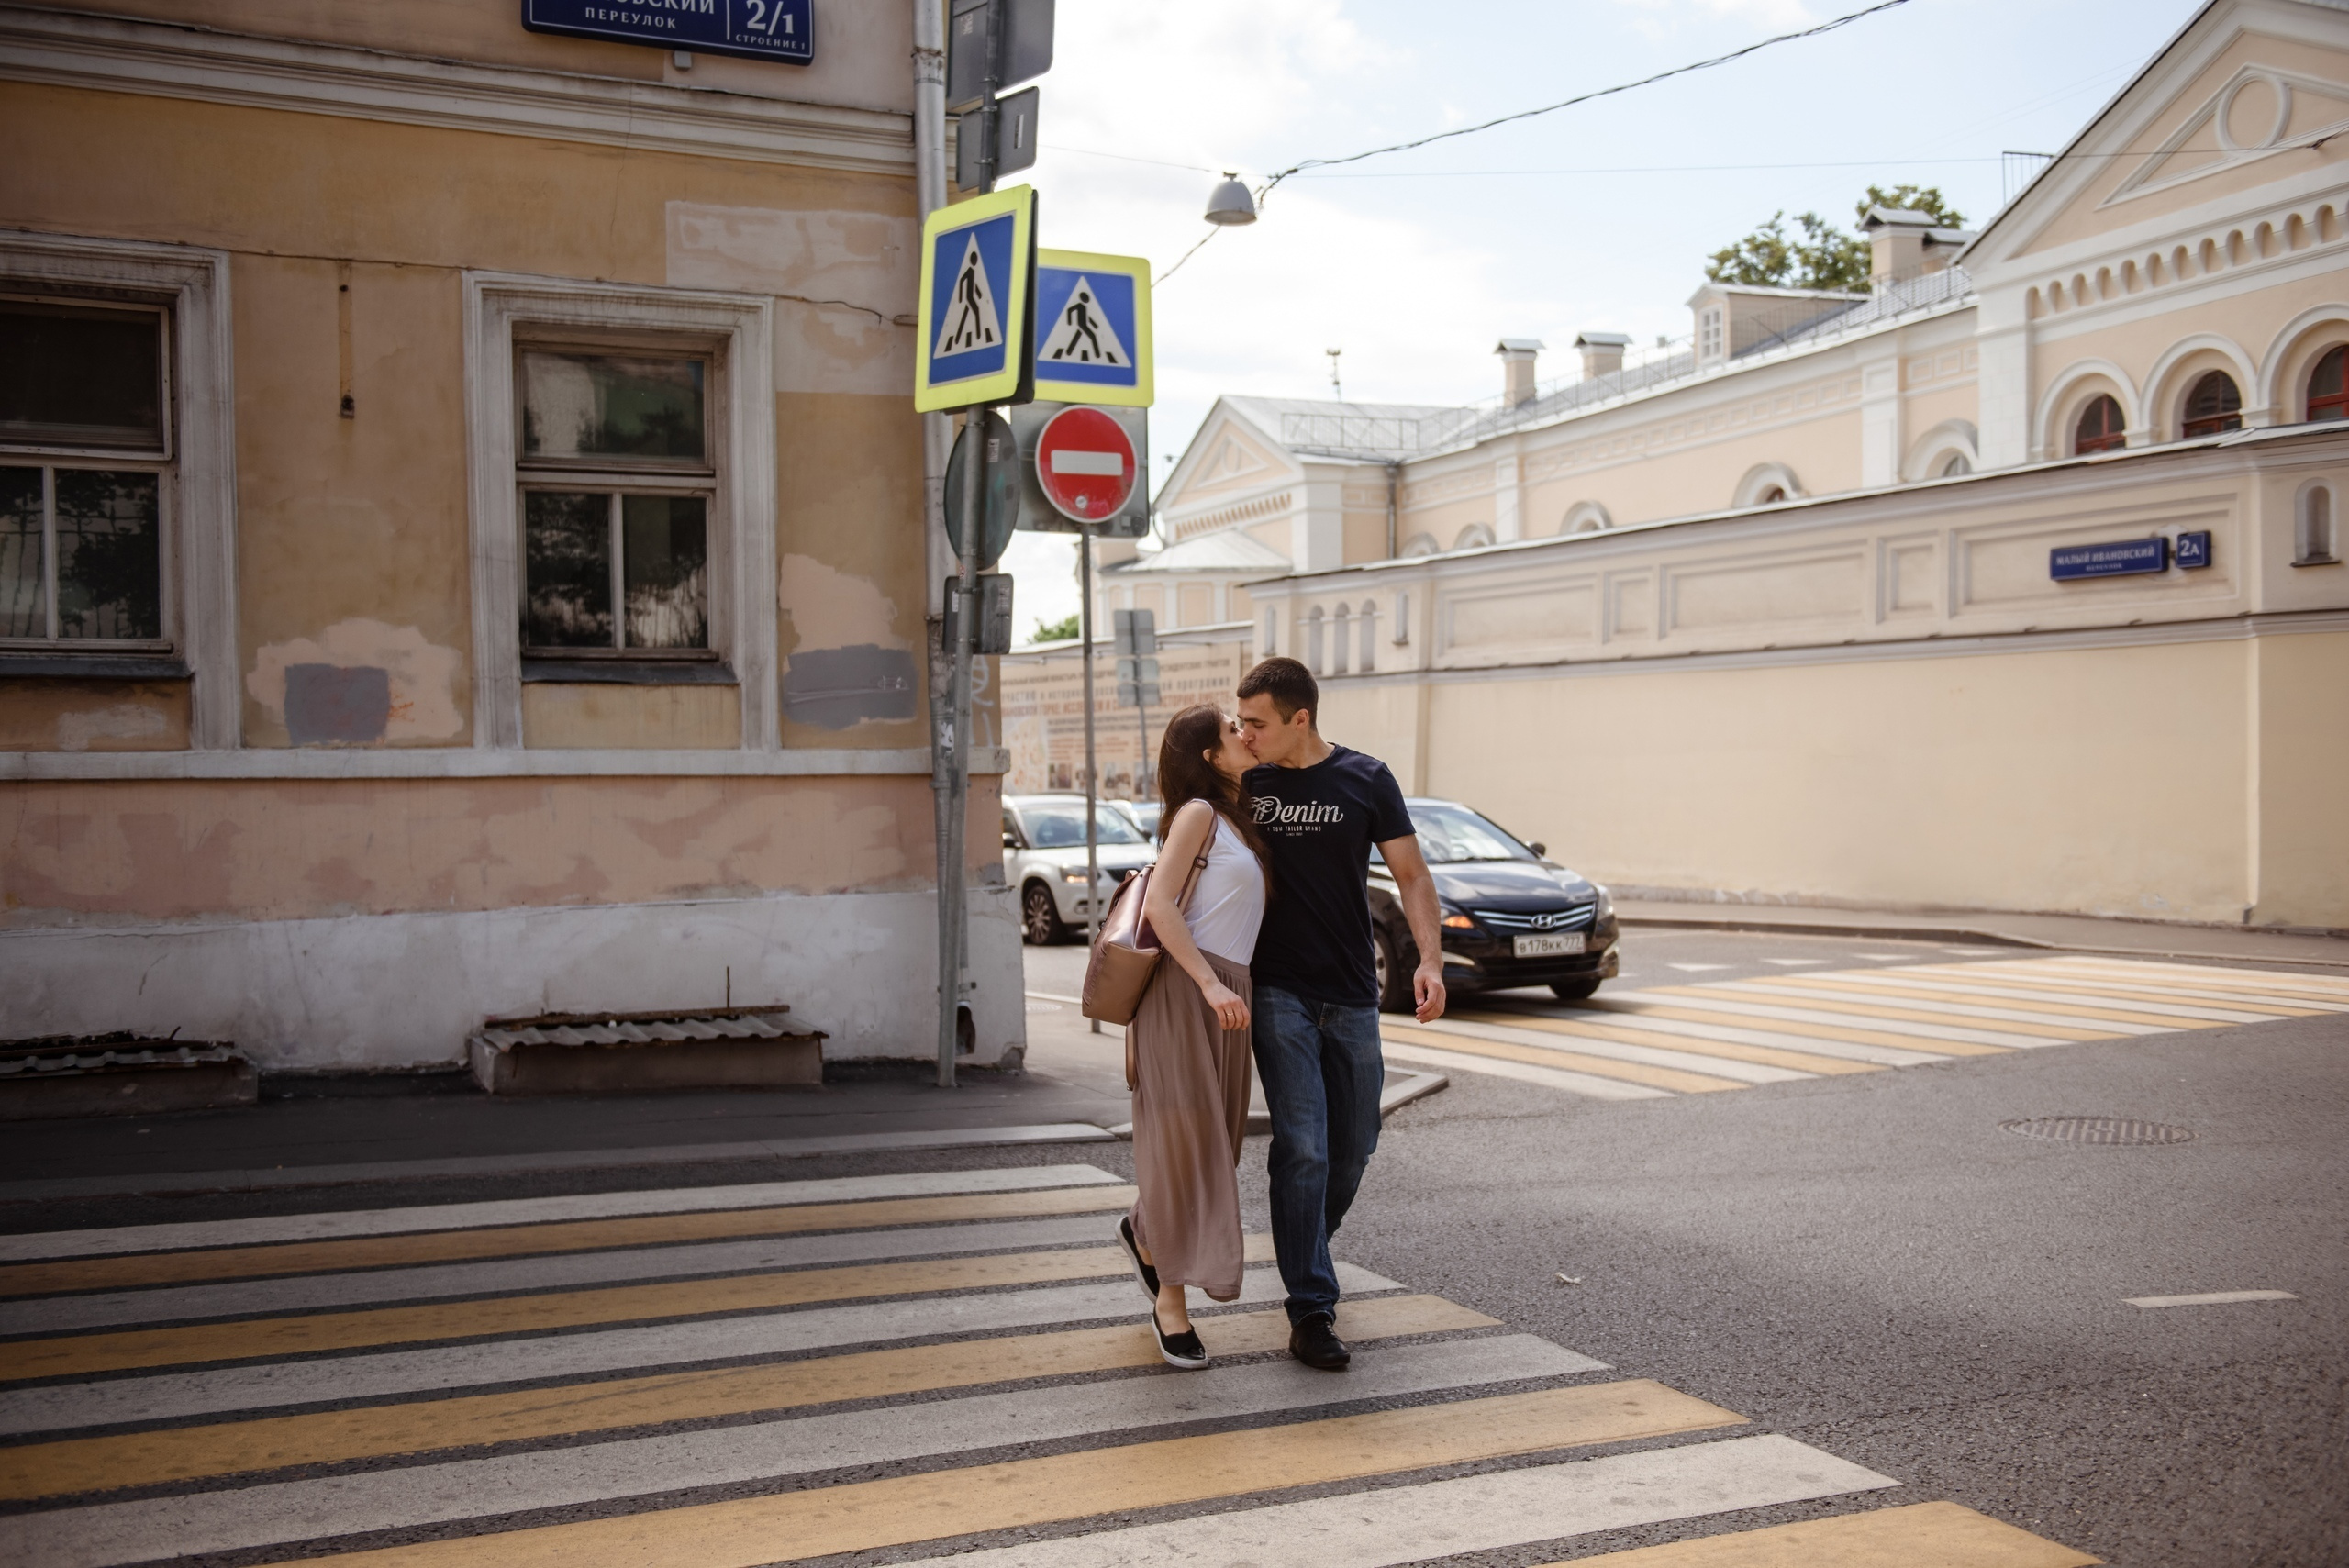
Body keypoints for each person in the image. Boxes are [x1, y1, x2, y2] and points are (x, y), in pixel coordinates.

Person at [1235, 656, 1445, 1372]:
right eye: (1240, 722)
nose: (1246, 733)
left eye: (1257, 722)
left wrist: (1430, 960)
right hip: (1277, 989)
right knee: (1304, 1146)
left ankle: (1303, 1250)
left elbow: (1412, 875)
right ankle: (1311, 1307)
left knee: (1354, 1146)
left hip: (1353, 992)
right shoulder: (1247, 781)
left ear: (1302, 719)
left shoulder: (1366, 778)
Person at [1113, 704, 1271, 1370]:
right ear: (1209, 755)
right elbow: (1159, 906)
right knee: (1184, 1151)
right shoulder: (1197, 815)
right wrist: (1208, 985)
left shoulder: (1235, 816)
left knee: (1215, 1147)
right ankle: (1169, 1304)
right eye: (1233, 730)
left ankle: (1145, 1229)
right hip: (1189, 992)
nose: (1244, 734)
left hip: (1227, 995)